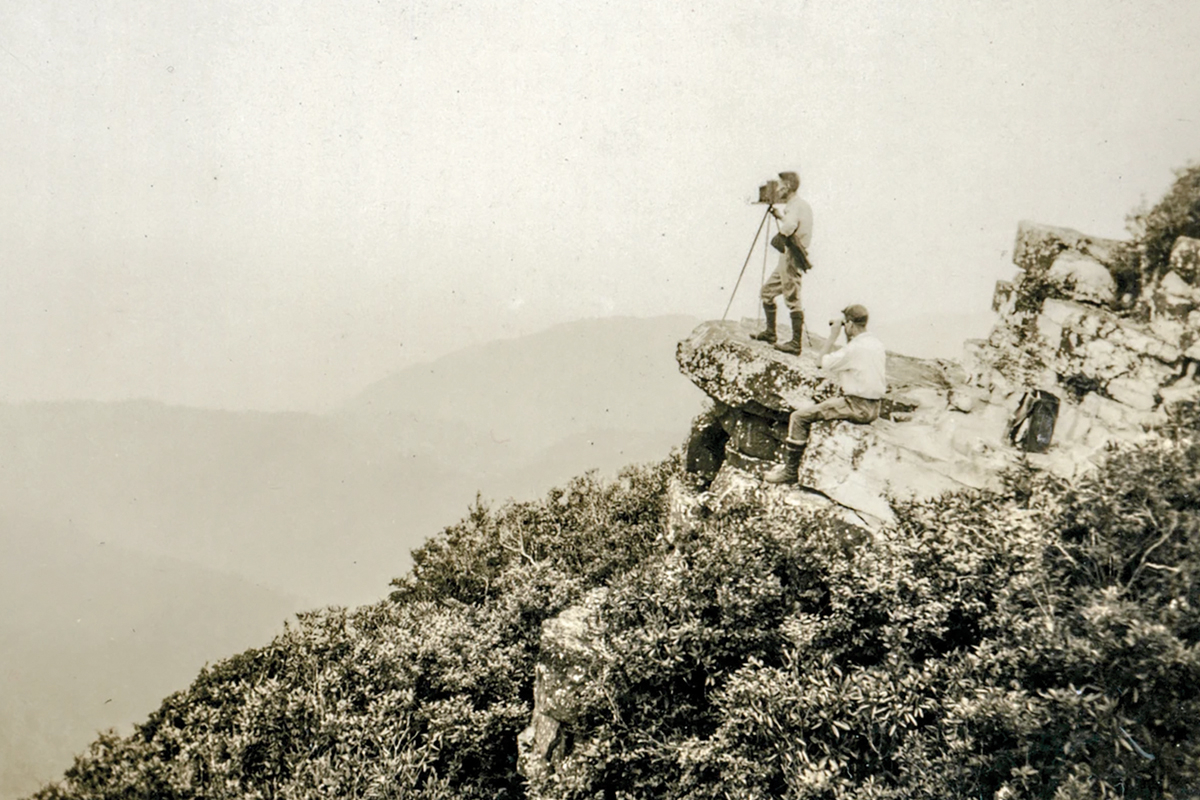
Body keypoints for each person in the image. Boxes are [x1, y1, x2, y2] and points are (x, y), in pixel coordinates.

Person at [764, 304, 886, 484]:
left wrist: (833, 335)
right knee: (827, 402)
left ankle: (790, 472)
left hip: (857, 406)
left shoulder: (854, 349)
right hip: (874, 407)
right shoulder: (875, 343)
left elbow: (820, 362)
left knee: (798, 417)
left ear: (850, 324)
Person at [751, 170, 814, 355]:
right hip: (789, 255)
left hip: (792, 256)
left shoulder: (795, 205)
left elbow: (790, 226)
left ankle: (796, 344)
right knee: (767, 292)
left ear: (787, 185)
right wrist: (779, 216)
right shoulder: (799, 205)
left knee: (792, 298)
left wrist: (780, 235)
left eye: (779, 185)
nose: (777, 189)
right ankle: (770, 333)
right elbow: (791, 221)